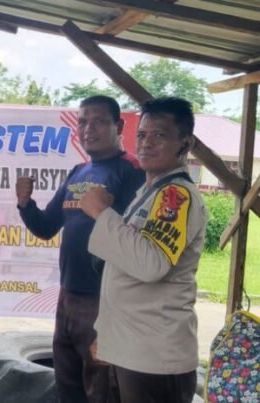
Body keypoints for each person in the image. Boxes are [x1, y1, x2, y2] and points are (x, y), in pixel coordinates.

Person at [15, 95, 145, 402]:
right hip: (68, 296)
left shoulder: (132, 171)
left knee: (102, 388)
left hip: (105, 299)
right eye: (83, 122)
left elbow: (137, 240)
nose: (88, 129)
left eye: (98, 121)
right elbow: (46, 227)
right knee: (68, 383)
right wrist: (25, 203)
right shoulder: (78, 172)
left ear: (119, 126)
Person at [81, 97, 205, 403]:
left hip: (155, 358)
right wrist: (107, 335)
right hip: (134, 350)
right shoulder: (150, 192)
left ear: (185, 143)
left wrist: (102, 213)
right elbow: (125, 269)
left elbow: (150, 265)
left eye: (160, 135)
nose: (146, 143)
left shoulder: (176, 195)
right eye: (142, 134)